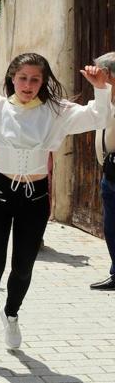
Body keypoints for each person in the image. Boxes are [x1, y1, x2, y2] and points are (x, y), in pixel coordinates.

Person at [0, 52, 110, 368]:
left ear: (43, 82)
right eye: (23, 78)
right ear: (11, 79)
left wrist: (101, 88)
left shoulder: (56, 112)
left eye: (35, 79)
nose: (28, 85)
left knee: (23, 267)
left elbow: (99, 118)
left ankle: (11, 313)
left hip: (35, 198)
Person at [91, 51, 115, 291]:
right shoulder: (105, 98)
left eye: (99, 71)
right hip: (109, 173)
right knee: (110, 228)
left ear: (108, 74)